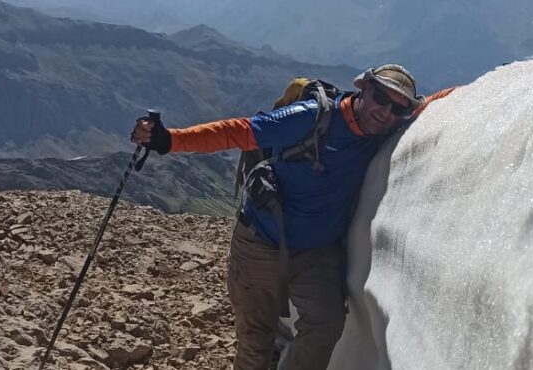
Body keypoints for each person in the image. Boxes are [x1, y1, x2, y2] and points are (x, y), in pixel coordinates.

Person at [131, 64, 453, 370]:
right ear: (364, 88)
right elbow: (240, 131)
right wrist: (170, 139)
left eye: (396, 107)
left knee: (325, 325)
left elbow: (429, 105)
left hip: (316, 252)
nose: (384, 111)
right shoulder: (311, 117)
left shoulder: (384, 125)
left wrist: (495, 82)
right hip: (259, 243)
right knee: (256, 341)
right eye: (380, 97)